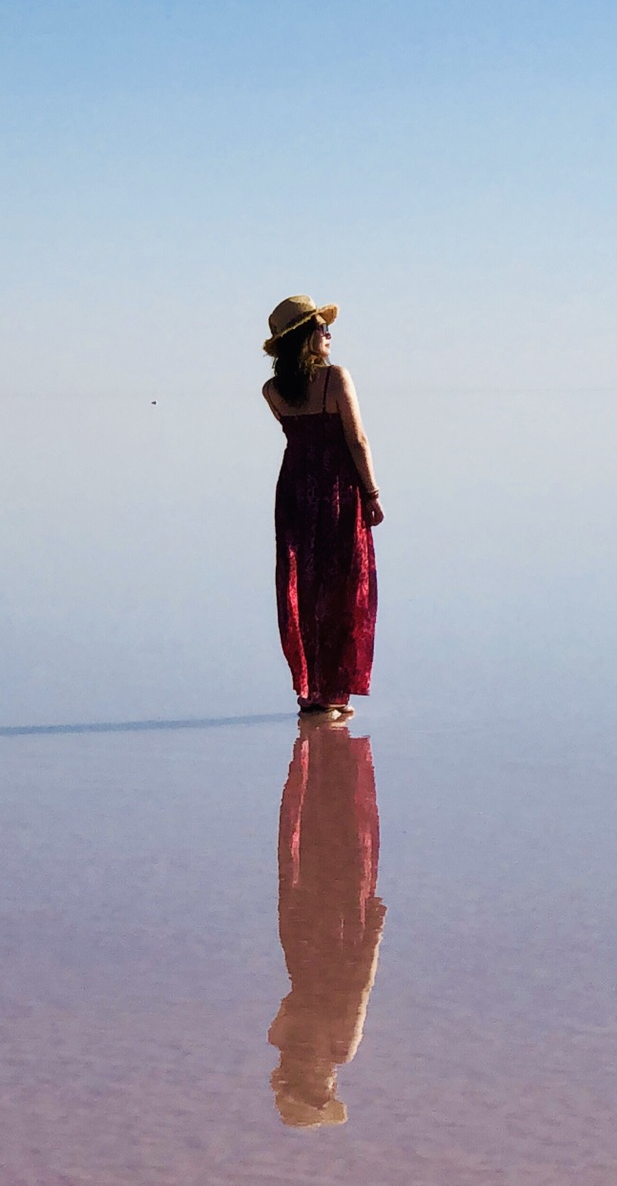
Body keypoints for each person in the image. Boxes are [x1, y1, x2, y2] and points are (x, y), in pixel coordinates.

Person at [262, 295, 382, 712]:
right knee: (342, 585)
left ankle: (311, 692)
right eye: (321, 328)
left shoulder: (272, 391)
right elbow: (356, 439)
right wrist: (372, 494)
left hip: (295, 492)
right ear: (304, 338)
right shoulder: (336, 379)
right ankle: (333, 692)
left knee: (304, 588)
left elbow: (299, 437)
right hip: (337, 493)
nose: (328, 334)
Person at [267, 717, 385, 1128]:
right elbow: (358, 991)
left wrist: (373, 934)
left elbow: (359, 989)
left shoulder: (313, 1043)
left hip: (325, 944)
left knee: (325, 858)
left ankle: (323, 758)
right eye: (327, 1091)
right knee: (328, 857)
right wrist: (372, 934)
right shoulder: (298, 1041)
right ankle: (326, 756)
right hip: (315, 942)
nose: (330, 1084)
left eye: (321, 1090)